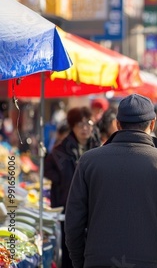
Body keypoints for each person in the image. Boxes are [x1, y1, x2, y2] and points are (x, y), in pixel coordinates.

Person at [65, 94, 157, 268]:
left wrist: (80, 262)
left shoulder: (89, 161)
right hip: (148, 262)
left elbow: (73, 221)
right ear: (153, 123)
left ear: (118, 125)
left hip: (97, 261)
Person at [44, 106, 101, 268]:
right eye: (79, 125)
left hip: (94, 205)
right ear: (72, 127)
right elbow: (47, 169)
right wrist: (62, 181)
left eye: (88, 123)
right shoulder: (61, 150)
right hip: (68, 204)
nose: (84, 128)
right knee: (71, 248)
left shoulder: (99, 147)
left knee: (93, 249)